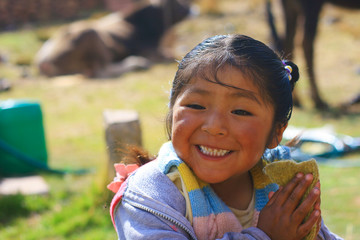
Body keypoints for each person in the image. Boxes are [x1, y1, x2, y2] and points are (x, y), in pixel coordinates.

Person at [107, 34, 343, 240]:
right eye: (197, 105)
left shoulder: (283, 185)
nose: (214, 127)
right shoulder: (151, 196)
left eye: (240, 111)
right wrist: (265, 237)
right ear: (172, 111)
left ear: (276, 132)